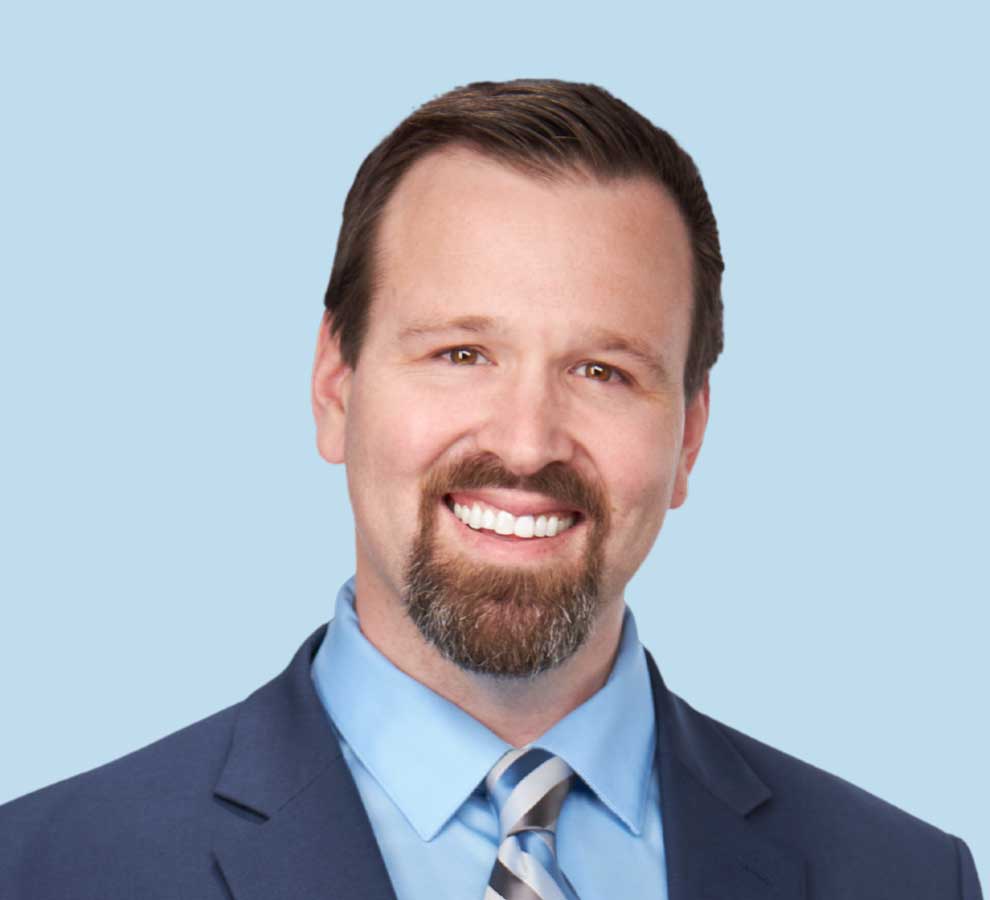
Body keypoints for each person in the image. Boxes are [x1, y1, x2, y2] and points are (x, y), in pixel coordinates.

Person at [0, 78, 981, 900]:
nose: (525, 442)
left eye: (603, 371)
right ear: (335, 387)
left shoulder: (904, 878)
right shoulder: (49, 869)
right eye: (461, 352)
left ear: (689, 437)